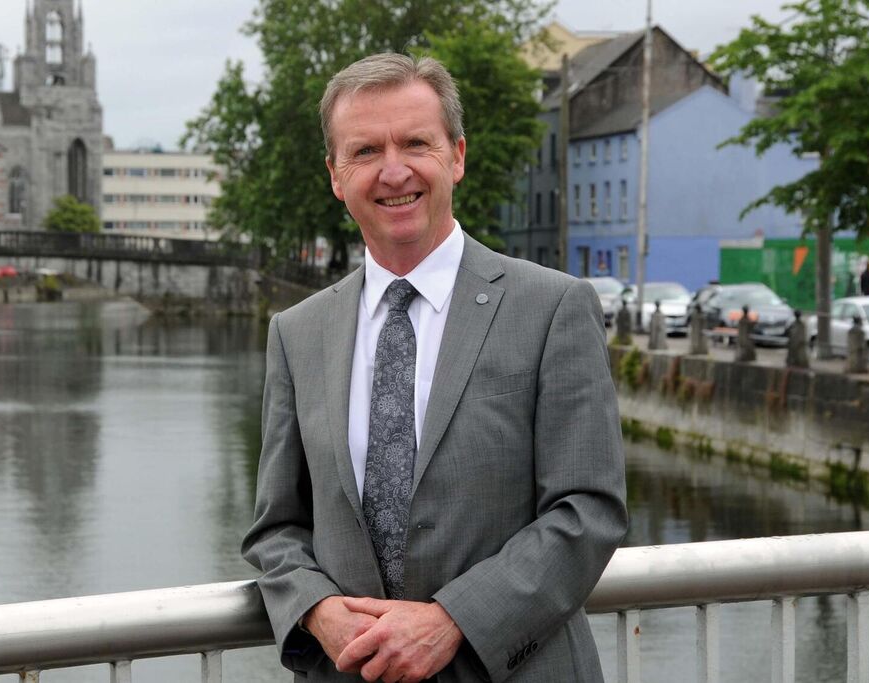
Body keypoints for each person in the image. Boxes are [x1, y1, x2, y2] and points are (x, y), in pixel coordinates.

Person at [243, 53, 627, 682]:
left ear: (457, 156)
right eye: (365, 151)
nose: (393, 171)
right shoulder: (298, 332)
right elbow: (277, 529)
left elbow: (589, 510)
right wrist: (316, 609)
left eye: (416, 143)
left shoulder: (552, 307)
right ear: (336, 176)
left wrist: (454, 621)